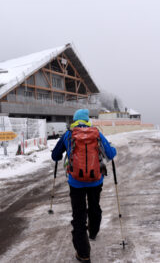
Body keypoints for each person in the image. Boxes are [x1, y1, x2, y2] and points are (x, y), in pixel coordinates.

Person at [51, 109, 116, 263]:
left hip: (76, 183)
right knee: (94, 206)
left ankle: (83, 254)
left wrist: (63, 152)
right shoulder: (97, 133)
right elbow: (110, 154)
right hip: (95, 180)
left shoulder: (69, 134)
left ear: (74, 120)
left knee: (79, 216)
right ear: (88, 120)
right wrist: (113, 148)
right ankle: (93, 232)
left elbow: (55, 155)